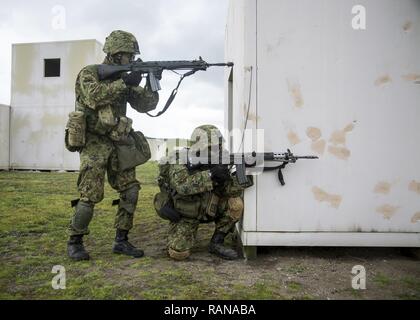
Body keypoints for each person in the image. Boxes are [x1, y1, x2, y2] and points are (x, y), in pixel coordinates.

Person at [66, 30, 159, 261]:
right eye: (128, 55)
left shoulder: (124, 78)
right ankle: (75, 241)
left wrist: (152, 81)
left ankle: (121, 240)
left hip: (119, 141)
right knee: (90, 194)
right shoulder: (89, 73)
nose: (130, 59)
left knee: (131, 189)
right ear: (116, 55)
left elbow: (146, 105)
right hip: (94, 142)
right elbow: (94, 97)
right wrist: (123, 82)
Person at [154, 125, 253, 261]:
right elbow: (183, 186)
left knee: (235, 204)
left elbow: (227, 191)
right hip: (186, 213)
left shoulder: (220, 158)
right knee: (179, 254)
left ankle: (217, 242)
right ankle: (181, 230)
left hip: (211, 208)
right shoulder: (179, 158)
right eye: (212, 147)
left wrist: (240, 178)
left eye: (218, 146)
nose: (217, 149)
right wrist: (212, 174)